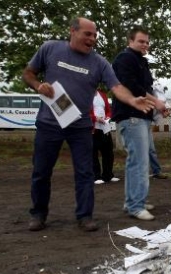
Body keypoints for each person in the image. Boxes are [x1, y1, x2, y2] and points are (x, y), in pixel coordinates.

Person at [22, 17, 154, 232]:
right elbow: (28, 73)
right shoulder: (50, 49)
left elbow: (117, 86)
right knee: (41, 172)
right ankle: (38, 214)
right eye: (88, 34)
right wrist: (38, 85)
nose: (92, 39)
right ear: (72, 31)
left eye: (94, 35)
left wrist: (131, 100)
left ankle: (85, 216)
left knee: (85, 173)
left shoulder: (99, 62)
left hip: (81, 126)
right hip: (49, 123)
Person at [112, 26, 166, 221]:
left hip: (141, 116)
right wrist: (156, 102)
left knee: (135, 161)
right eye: (141, 41)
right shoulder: (125, 59)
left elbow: (145, 86)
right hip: (131, 115)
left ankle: (133, 201)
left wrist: (155, 103)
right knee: (140, 162)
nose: (145, 44)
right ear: (130, 41)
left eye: (147, 42)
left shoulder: (141, 61)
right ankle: (136, 206)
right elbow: (132, 86)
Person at [91, 89, 119, 184]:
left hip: (105, 127)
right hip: (93, 128)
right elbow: (84, 111)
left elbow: (108, 110)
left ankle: (108, 175)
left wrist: (108, 116)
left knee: (108, 152)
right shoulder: (85, 94)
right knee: (93, 153)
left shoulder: (102, 94)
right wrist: (95, 118)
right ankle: (96, 176)